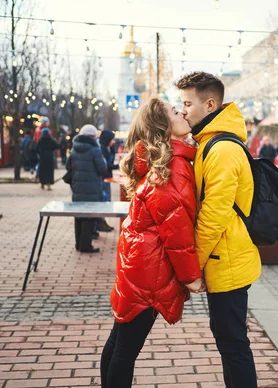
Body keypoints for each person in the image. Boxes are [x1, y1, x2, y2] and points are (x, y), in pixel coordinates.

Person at [101, 98, 204, 388]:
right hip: (149, 270)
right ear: (163, 127)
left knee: (119, 342)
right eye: (175, 111)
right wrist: (191, 278)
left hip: (138, 264)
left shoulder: (163, 164)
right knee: (125, 349)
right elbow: (178, 234)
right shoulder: (172, 168)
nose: (182, 112)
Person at [176, 71, 260, 388]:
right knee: (229, 339)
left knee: (233, 343)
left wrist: (191, 267)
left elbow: (214, 215)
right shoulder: (210, 143)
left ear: (210, 104)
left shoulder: (222, 149)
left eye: (187, 103)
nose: (183, 110)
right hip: (223, 258)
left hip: (227, 260)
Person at [66, 124, 108, 253]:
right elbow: (102, 169)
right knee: (89, 217)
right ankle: (86, 245)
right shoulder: (95, 150)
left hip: (77, 188)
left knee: (78, 216)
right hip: (92, 188)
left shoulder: (74, 149)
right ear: (94, 136)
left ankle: (78, 243)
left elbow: (68, 167)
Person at [97, 130, 120, 233]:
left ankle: (102, 221)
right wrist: (118, 166)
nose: (113, 141)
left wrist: (112, 149)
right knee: (104, 200)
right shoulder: (101, 148)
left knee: (106, 200)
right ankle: (100, 222)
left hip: (106, 177)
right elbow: (106, 164)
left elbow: (111, 159)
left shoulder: (106, 147)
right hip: (103, 178)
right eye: (112, 139)